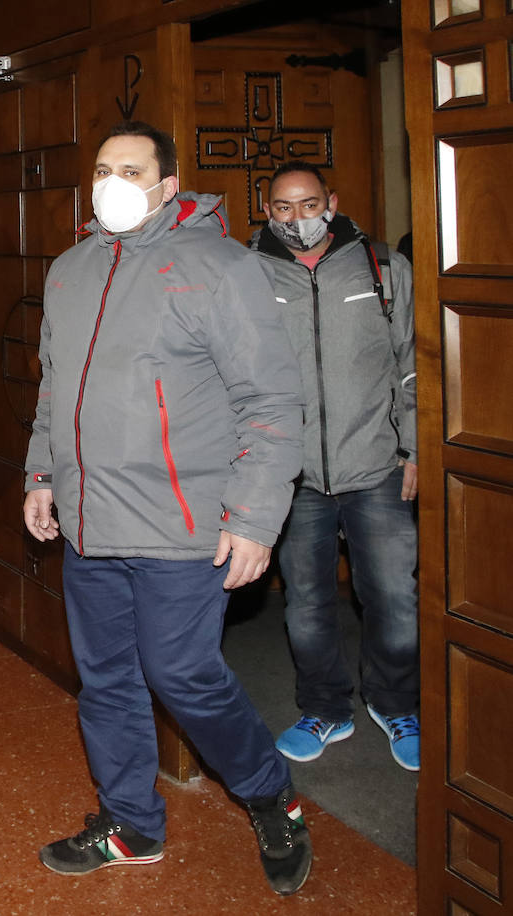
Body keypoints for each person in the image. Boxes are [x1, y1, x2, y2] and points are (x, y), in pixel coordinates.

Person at [22, 121, 311, 896]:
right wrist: (42, 472)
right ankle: (132, 825)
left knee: (183, 673)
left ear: (168, 185)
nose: (111, 181)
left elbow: (272, 401)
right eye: (102, 168)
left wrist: (254, 518)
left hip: (183, 524)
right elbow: (57, 383)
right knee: (107, 679)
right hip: (89, 521)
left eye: (130, 169)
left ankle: (268, 795)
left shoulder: (221, 268)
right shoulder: (71, 269)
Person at [249, 161, 419, 772]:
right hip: (292, 478)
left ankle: (397, 703)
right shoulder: (249, 274)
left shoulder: (381, 268)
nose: (298, 218)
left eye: (309, 203)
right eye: (283, 208)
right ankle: (325, 708)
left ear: (333, 201)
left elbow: (411, 365)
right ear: (267, 211)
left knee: (395, 597)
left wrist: (417, 447)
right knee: (307, 601)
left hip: (376, 464)